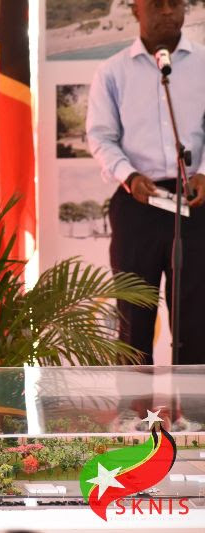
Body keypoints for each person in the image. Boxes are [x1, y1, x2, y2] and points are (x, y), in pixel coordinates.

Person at [87, 0, 205, 365]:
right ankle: (136, 403)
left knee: (196, 319)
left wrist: (204, 172)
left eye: (175, 3)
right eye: (156, 3)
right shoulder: (112, 71)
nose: (167, 11)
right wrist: (129, 175)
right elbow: (100, 137)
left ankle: (194, 403)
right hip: (138, 202)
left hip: (196, 201)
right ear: (136, 10)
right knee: (133, 319)